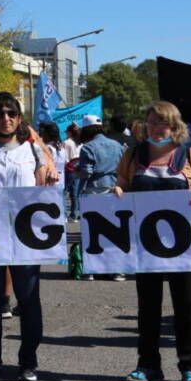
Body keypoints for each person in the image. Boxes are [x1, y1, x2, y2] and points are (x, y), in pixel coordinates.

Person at [112, 100, 191, 381]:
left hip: (182, 246)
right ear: (145, 125)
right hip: (145, 245)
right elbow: (122, 183)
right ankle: (147, 365)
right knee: (148, 307)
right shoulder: (133, 155)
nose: (157, 128)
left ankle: (189, 367)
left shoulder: (190, 156)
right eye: (152, 122)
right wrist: (119, 189)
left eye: (163, 123)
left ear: (175, 127)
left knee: (186, 307)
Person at [0, 92, 58, 381]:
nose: (6, 119)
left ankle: (28, 361)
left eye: (11, 114)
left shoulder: (32, 151)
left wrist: (51, 182)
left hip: (25, 238)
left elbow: (43, 192)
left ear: (19, 119)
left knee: (29, 300)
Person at [77, 114, 127, 282]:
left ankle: (90, 270)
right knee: (114, 231)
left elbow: (86, 172)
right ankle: (117, 271)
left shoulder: (87, 147)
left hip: (94, 190)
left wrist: (77, 171)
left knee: (91, 231)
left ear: (86, 129)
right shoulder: (117, 145)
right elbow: (123, 168)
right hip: (114, 189)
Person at [63, 123, 82, 221]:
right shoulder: (80, 142)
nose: (65, 133)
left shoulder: (67, 142)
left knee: (64, 191)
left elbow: (65, 158)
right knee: (75, 192)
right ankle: (75, 214)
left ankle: (65, 215)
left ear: (70, 132)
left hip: (69, 168)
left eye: (66, 131)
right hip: (78, 167)